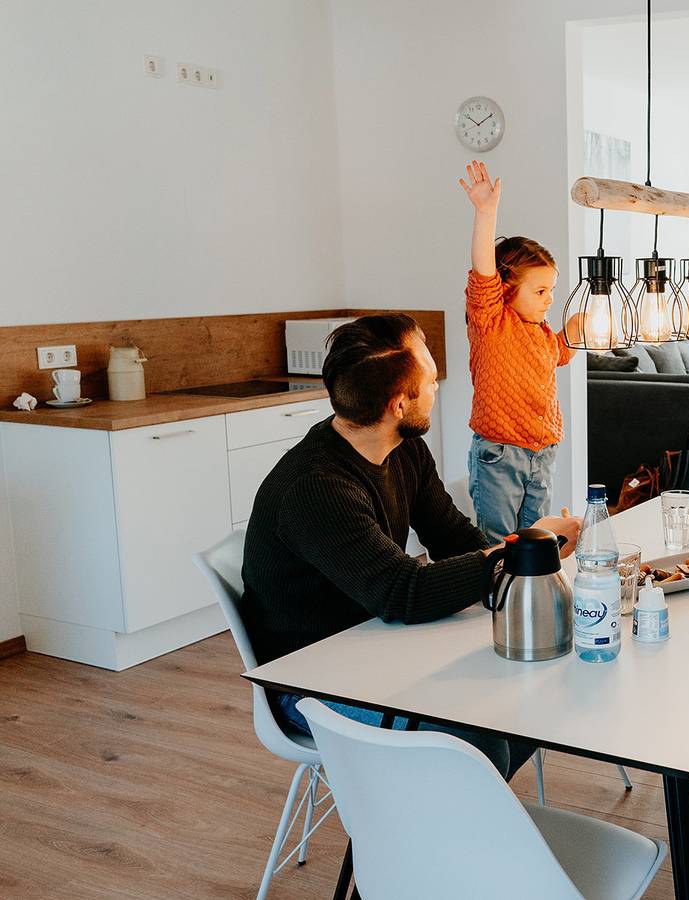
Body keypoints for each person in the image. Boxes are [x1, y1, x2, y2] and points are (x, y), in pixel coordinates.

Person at [240, 313, 581, 779]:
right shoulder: (317, 488)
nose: (437, 383)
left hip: (379, 646)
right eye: (430, 376)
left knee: (525, 692)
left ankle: (447, 816)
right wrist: (524, 550)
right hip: (312, 683)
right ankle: (409, 822)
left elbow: (453, 539)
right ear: (399, 404)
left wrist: (518, 556)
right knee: (475, 742)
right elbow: (404, 593)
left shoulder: (403, 449)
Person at [458, 160, 584, 543]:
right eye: (541, 291)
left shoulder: (541, 332)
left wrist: (575, 331)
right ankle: (499, 584)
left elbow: (558, 354)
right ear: (507, 287)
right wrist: (486, 211)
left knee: (535, 540)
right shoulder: (491, 320)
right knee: (500, 542)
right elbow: (483, 272)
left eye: (551, 291)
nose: (549, 299)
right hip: (501, 453)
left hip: (542, 453)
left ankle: (534, 582)